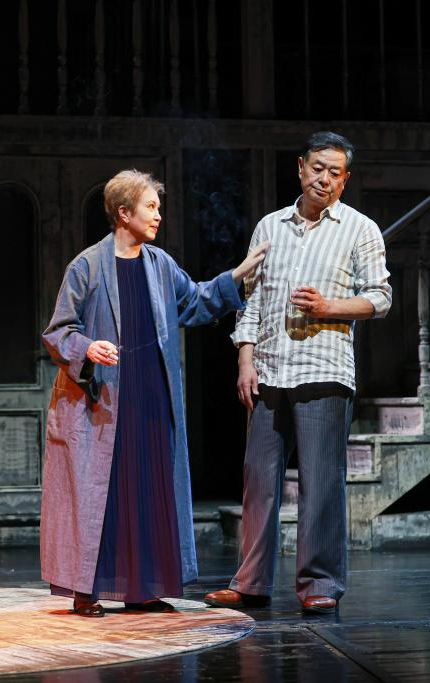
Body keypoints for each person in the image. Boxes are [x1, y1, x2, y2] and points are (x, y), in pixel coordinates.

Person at [41, 169, 269, 617]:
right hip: (104, 399)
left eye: (158, 207)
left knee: (146, 489)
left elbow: (196, 301)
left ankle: (142, 588)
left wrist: (238, 275)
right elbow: (58, 331)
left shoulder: (160, 264)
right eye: (150, 207)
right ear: (123, 213)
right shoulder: (87, 266)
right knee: (101, 495)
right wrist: (87, 347)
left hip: (150, 394)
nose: (158, 215)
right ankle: (86, 590)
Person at [204, 132, 392, 615]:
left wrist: (330, 306)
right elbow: (251, 300)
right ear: (301, 167)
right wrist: (245, 359)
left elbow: (380, 298)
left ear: (345, 180)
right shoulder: (270, 227)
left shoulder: (360, 229)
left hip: (323, 371)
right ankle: (251, 581)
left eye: (335, 173)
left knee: (320, 483)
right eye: (318, 168)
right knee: (258, 481)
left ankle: (319, 583)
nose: (324, 179)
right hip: (269, 371)